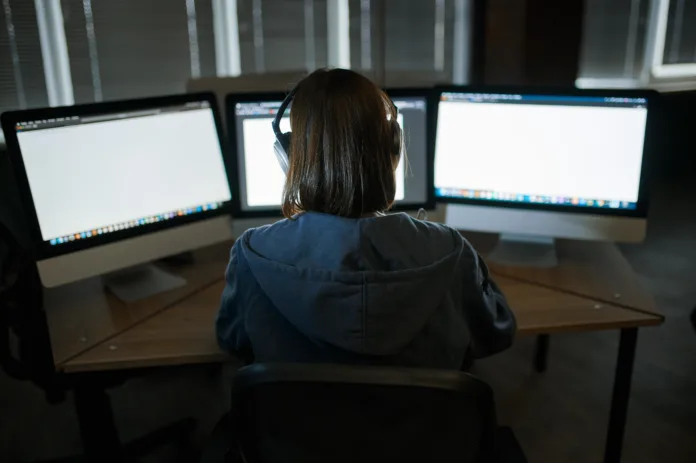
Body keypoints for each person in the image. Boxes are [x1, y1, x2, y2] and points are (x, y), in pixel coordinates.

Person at [215, 68, 515, 369]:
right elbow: (495, 334)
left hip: (296, 417)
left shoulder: (251, 253)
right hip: (419, 417)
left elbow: (232, 340)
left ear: (289, 158)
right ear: (393, 150)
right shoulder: (450, 249)